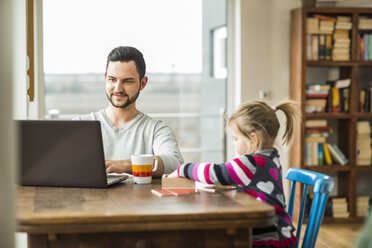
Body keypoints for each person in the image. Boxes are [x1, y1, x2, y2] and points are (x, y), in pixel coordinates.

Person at [168, 100, 300, 247]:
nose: (233, 143)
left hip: (268, 239)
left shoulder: (253, 163)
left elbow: (215, 173)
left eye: (236, 139)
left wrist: (182, 169)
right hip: (280, 233)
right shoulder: (270, 157)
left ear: (253, 139)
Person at [75, 46, 184, 176]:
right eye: (112, 79)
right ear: (105, 78)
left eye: (127, 81)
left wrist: (125, 165)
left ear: (142, 83)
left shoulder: (156, 129)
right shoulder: (79, 125)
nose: (118, 88)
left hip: (139, 197)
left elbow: (175, 163)